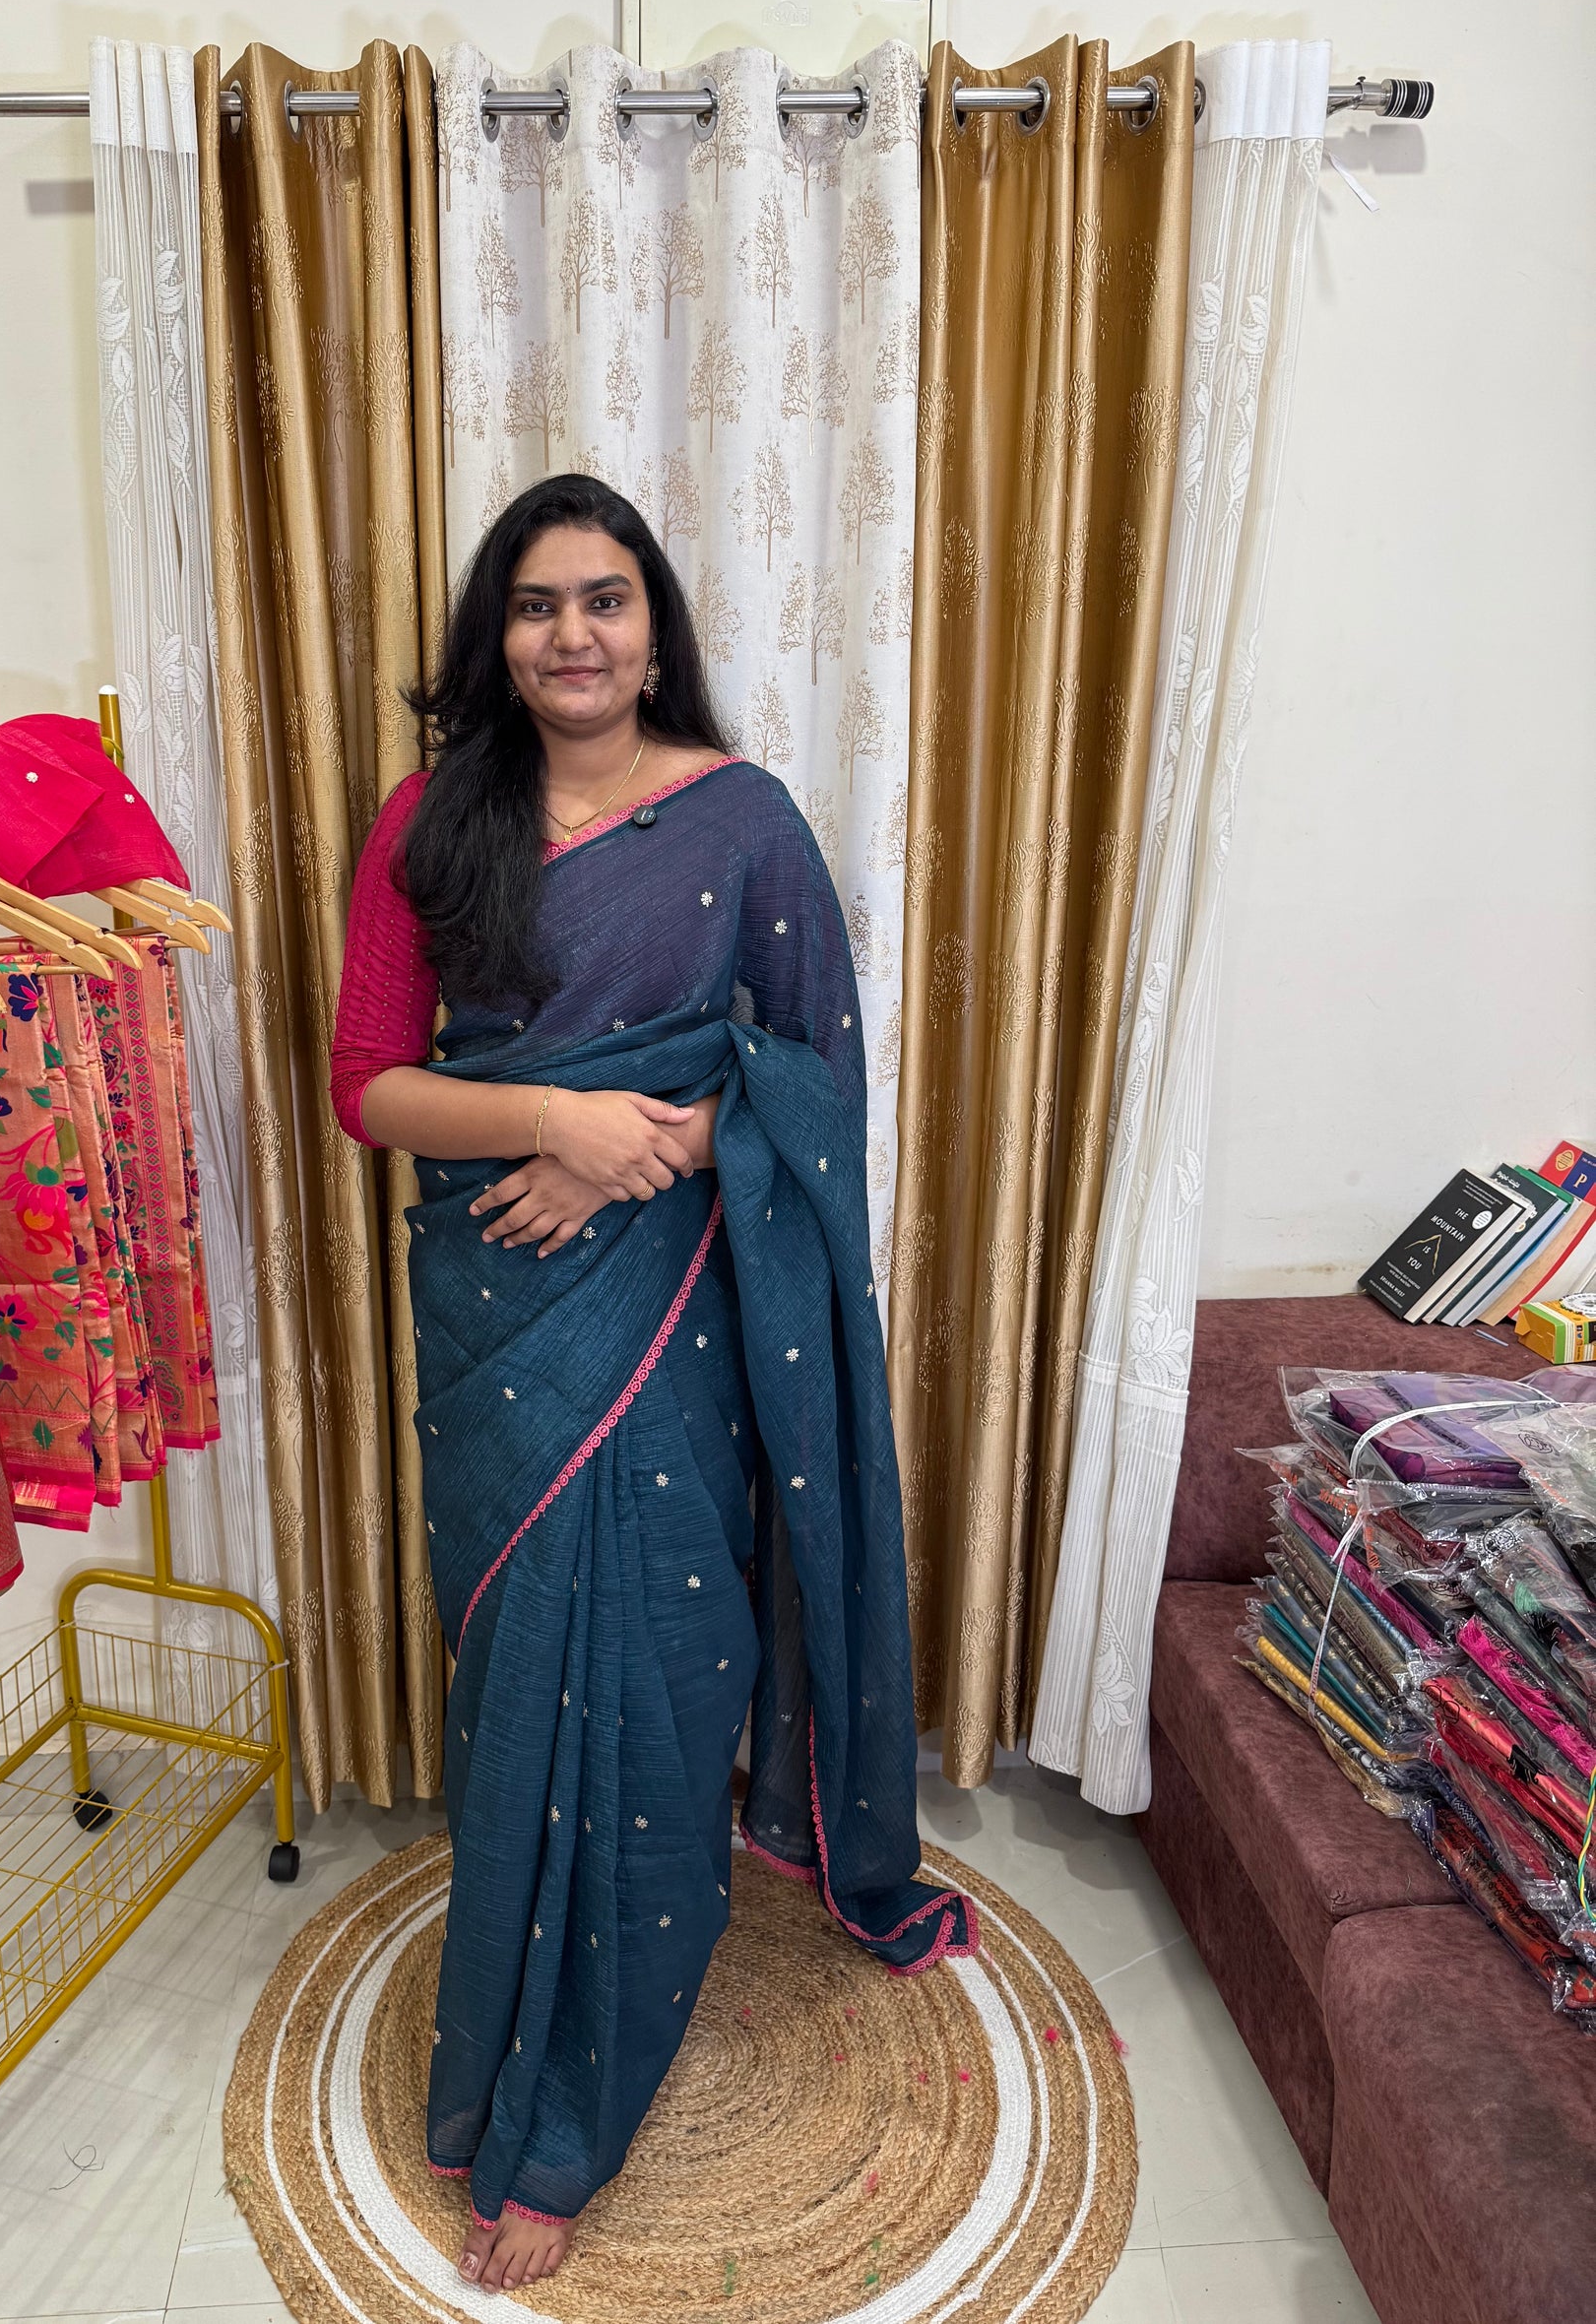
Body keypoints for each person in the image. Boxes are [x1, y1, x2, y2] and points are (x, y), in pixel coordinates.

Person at [330, 474, 969, 2295]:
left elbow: (813, 1078)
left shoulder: (741, 820)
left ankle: (572, 2114)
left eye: (604, 599)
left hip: (675, 1304)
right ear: (497, 633)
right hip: (494, 1313)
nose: (573, 636)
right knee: (522, 1674)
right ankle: (513, 2030)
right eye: (537, 605)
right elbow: (366, 1084)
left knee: (662, 1674)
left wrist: (653, 1148)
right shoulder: (429, 823)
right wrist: (551, 1119)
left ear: (653, 624)